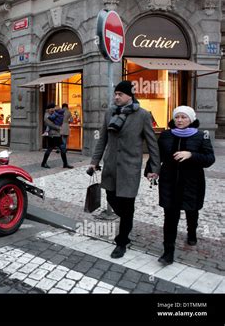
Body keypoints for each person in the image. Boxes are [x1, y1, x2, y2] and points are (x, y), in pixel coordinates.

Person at [89, 80, 160, 259]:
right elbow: (102, 140)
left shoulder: (143, 115)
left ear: (130, 95)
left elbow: (152, 144)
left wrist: (154, 167)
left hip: (130, 168)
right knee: (111, 197)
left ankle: (122, 241)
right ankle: (128, 221)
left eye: (120, 94)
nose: (116, 97)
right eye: (116, 94)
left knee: (127, 205)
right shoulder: (109, 112)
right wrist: (94, 161)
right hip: (111, 166)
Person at [156, 106, 215, 265]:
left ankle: (191, 233)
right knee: (170, 217)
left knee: (191, 211)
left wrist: (191, 155)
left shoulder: (201, 136)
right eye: (177, 117)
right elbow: (157, 156)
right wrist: (152, 171)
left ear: (191, 119)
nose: (180, 120)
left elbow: (209, 159)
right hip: (169, 182)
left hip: (192, 183)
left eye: (184, 117)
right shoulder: (166, 135)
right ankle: (168, 252)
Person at [41, 103, 71, 168]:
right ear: (49, 109)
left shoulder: (53, 114)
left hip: (57, 134)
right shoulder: (47, 115)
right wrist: (58, 127)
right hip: (52, 135)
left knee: (62, 148)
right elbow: (50, 124)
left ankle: (65, 164)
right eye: (53, 108)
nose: (54, 109)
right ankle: (43, 163)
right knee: (50, 149)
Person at [60, 103, 73, 167]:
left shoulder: (60, 111)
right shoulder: (68, 112)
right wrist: (68, 121)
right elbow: (72, 120)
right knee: (65, 139)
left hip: (60, 126)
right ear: (67, 107)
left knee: (61, 138)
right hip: (66, 126)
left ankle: (62, 149)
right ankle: (64, 149)